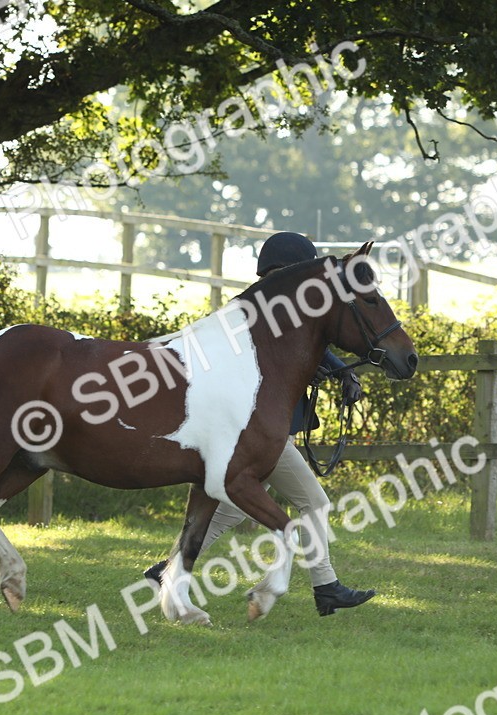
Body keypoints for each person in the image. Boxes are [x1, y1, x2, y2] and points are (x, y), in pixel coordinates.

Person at [144, 232, 376, 616]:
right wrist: (338, 372)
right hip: (256, 432)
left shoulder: (264, 308)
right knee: (314, 502)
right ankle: (326, 586)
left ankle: (166, 572)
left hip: (259, 430)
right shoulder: (272, 311)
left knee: (230, 510)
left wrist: (337, 372)